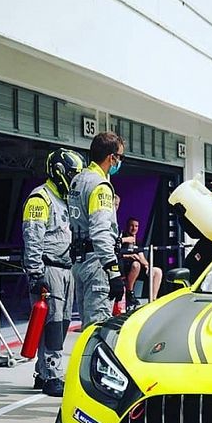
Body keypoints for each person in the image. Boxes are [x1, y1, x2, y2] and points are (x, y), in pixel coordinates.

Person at [23, 148, 84, 396]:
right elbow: (32, 238)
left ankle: (43, 372)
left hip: (66, 268)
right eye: (72, 174)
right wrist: (35, 273)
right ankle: (52, 376)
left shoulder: (65, 200)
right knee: (53, 325)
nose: (74, 179)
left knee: (63, 322)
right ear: (59, 172)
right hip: (49, 269)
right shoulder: (40, 199)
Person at [68, 132, 125, 328]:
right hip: (97, 264)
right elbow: (100, 232)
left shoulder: (77, 180)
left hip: (79, 261)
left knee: (87, 326)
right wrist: (113, 271)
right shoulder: (100, 186)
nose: (120, 162)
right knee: (98, 328)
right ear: (111, 157)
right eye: (120, 157)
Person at [121, 216, 163, 304]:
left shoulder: (138, 242)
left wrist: (147, 266)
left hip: (138, 268)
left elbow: (142, 257)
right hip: (124, 267)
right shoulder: (122, 238)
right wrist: (129, 256)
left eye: (136, 226)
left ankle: (153, 299)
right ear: (127, 226)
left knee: (157, 271)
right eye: (131, 225)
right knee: (136, 265)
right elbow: (116, 254)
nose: (134, 228)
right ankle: (130, 292)